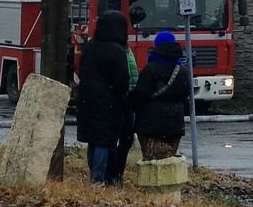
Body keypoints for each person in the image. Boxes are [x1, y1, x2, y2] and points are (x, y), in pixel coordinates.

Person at [76, 11, 133, 185]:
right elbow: (122, 80)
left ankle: (94, 175)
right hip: (109, 101)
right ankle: (99, 178)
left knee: (93, 140)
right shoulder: (117, 51)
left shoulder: (90, 47)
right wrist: (124, 99)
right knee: (105, 140)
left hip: (87, 98)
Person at [130, 30, 192, 161]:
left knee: (151, 161)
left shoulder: (150, 69)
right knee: (169, 160)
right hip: (175, 122)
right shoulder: (183, 71)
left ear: (157, 46)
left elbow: (140, 94)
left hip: (150, 123)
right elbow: (186, 94)